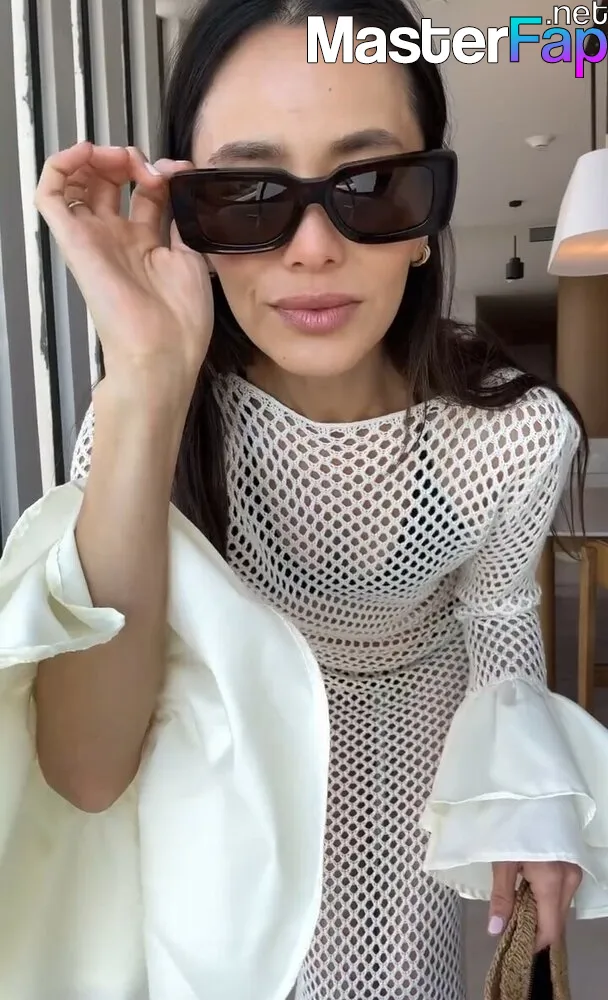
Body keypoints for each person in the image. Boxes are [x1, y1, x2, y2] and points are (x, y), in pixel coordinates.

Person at [8, 0, 608, 998]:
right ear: (189, 219)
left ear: (427, 217)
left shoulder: (507, 436)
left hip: (402, 834)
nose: (313, 248)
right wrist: (147, 379)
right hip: (212, 854)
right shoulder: (144, 428)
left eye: (369, 185)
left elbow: (499, 633)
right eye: (248, 196)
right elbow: (85, 768)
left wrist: (528, 805)